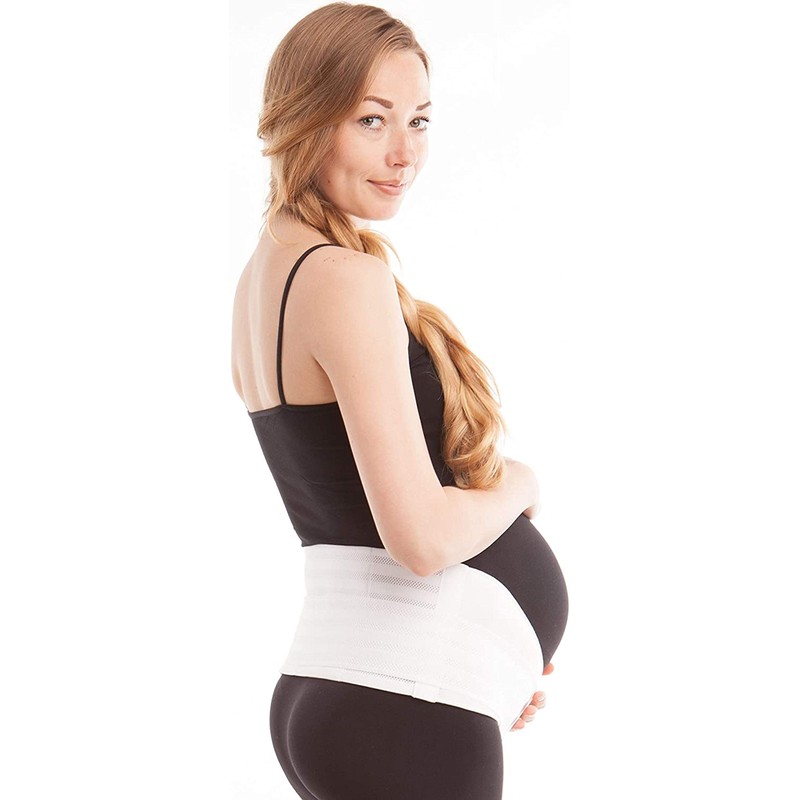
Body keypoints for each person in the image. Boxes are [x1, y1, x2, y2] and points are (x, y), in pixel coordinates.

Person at [230, 3, 568, 798]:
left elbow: (349, 515)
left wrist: (487, 650)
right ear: (306, 117)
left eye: (419, 120)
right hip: (399, 704)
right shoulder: (343, 278)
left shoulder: (267, 273)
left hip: (376, 692)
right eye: (372, 119)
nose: (404, 152)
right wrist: (518, 483)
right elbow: (419, 538)